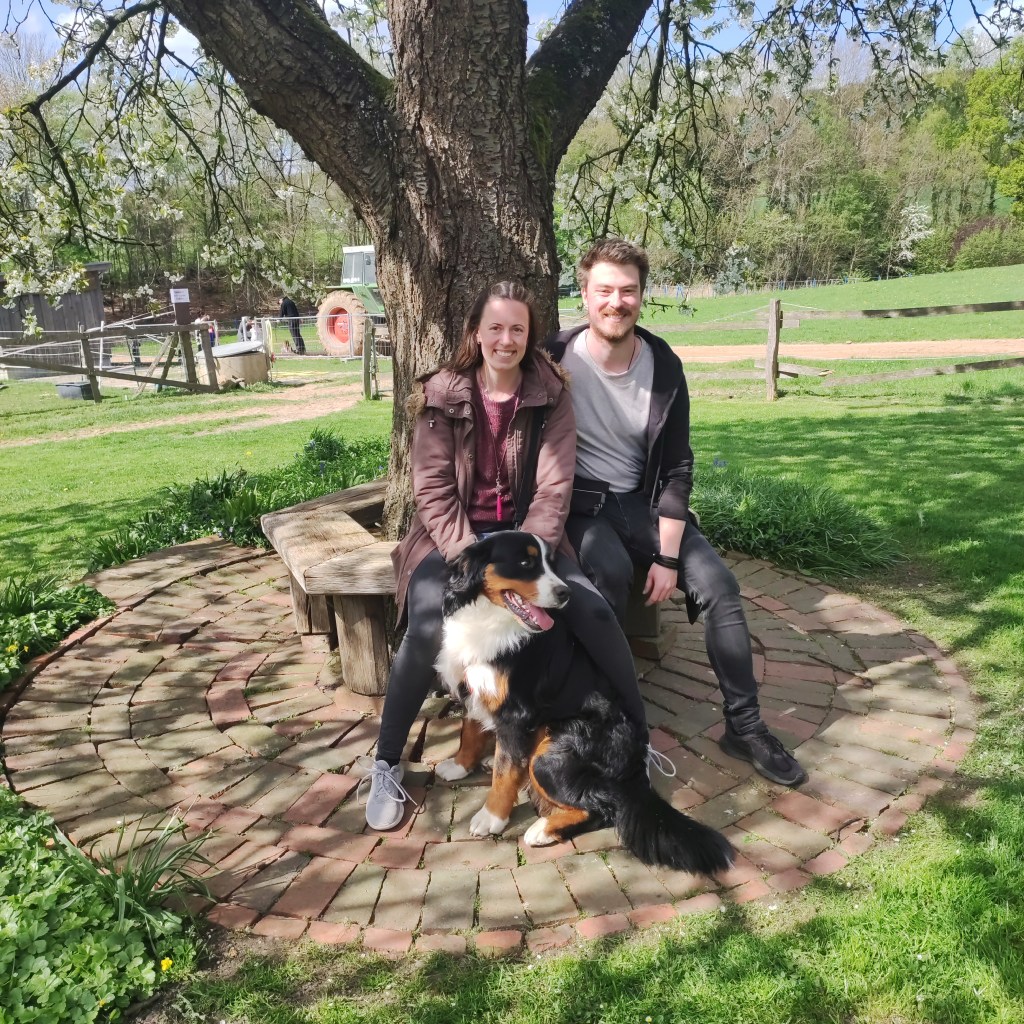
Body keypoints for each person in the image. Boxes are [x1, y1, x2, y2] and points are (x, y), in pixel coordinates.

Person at [363, 280, 648, 830]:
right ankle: (386, 762)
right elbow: (432, 489)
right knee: (427, 623)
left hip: (530, 543)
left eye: (518, 328)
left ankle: (640, 734)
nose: (506, 339)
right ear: (476, 333)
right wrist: (473, 556)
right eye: (495, 327)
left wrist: (531, 552)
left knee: (590, 610)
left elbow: (555, 487)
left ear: (530, 335)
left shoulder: (551, 394)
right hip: (450, 540)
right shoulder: (441, 396)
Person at [545, 238, 807, 787]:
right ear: (584, 295)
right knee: (607, 572)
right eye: (604, 290)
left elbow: (677, 467)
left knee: (719, 586)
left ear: (642, 295)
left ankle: (745, 727)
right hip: (585, 508)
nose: (616, 302)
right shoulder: (554, 359)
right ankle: (602, 725)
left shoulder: (663, 365)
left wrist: (667, 557)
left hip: (644, 505)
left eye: (628, 291)